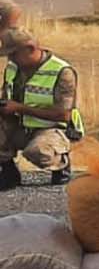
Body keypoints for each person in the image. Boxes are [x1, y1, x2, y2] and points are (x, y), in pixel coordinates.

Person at [0, 27, 83, 190]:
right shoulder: (12, 68)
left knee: (38, 151)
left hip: (52, 129)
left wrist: (20, 108)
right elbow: (6, 96)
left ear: (30, 49)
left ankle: (61, 162)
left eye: (14, 54)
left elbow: (64, 115)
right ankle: (8, 171)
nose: (10, 59)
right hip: (20, 126)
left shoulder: (62, 72)